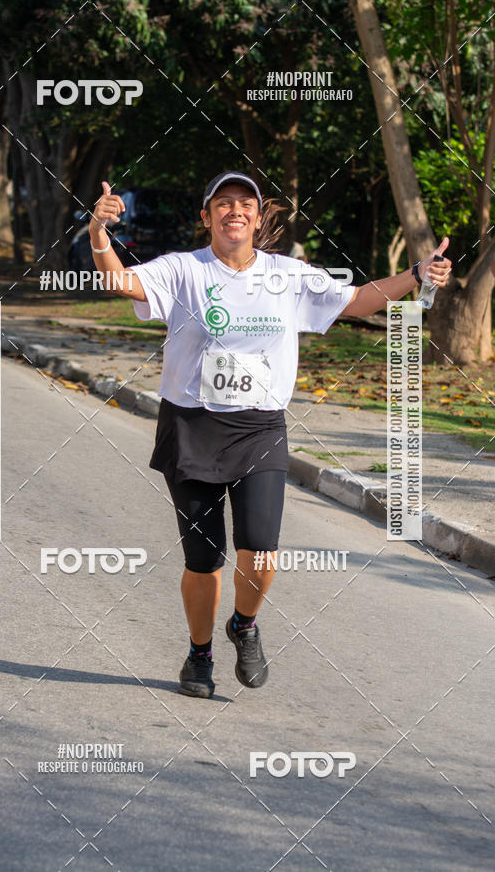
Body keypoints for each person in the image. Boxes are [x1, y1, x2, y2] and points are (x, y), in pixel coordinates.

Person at [88, 171, 451, 699]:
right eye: (223, 203)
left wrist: (416, 275)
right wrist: (100, 235)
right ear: (207, 215)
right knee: (203, 559)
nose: (235, 211)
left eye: (245, 204)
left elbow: (355, 301)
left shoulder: (289, 275)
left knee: (259, 552)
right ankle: (200, 653)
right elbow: (121, 281)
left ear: (258, 218)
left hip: (259, 427)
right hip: (191, 424)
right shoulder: (181, 269)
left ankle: (244, 624)